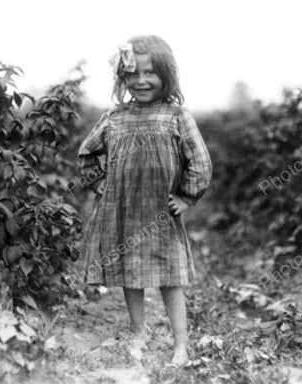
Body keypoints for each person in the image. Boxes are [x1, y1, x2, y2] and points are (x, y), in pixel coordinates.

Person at [77, 34, 212, 368]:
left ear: (166, 75)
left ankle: (181, 344)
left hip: (161, 212)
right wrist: (99, 184)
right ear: (122, 77)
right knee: (130, 274)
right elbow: (87, 153)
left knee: (170, 278)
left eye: (150, 72)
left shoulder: (176, 115)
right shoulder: (115, 118)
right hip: (122, 211)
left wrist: (186, 196)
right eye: (133, 74)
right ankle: (139, 333)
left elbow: (200, 161)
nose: (141, 80)